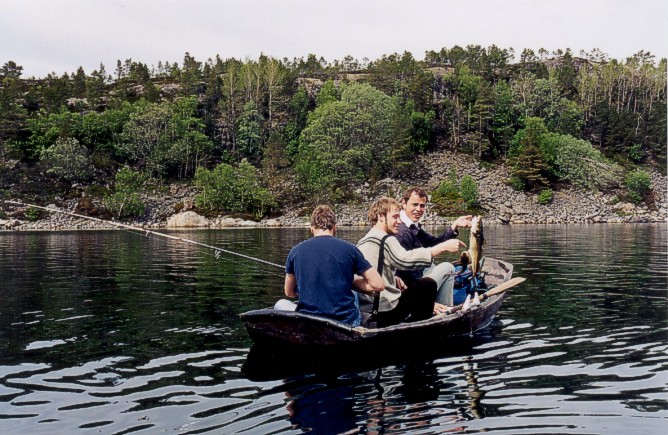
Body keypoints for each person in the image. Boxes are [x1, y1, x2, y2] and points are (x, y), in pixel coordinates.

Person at [356, 197, 465, 327]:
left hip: (367, 312)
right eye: (395, 217)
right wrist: (442, 248)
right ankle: (425, 325)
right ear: (381, 216)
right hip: (384, 312)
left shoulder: (362, 241)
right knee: (427, 285)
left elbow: (376, 267)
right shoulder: (385, 239)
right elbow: (405, 260)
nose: (399, 221)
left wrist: (394, 277)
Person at [281, 205, 384, 326]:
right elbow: (378, 285)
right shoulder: (350, 249)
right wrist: (351, 283)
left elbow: (288, 292)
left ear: (311, 228)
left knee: (281, 304)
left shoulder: (295, 251)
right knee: (354, 293)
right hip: (344, 322)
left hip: (308, 320)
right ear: (334, 227)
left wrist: (306, 291)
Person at [395, 187, 472, 307]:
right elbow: (405, 271)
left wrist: (454, 226)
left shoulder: (411, 226)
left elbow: (434, 243)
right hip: (407, 286)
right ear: (404, 204)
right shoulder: (402, 231)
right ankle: (444, 309)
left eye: (422, 206)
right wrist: (430, 303)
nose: (419, 209)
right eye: (414, 205)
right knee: (448, 267)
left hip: (414, 277)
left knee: (430, 265)